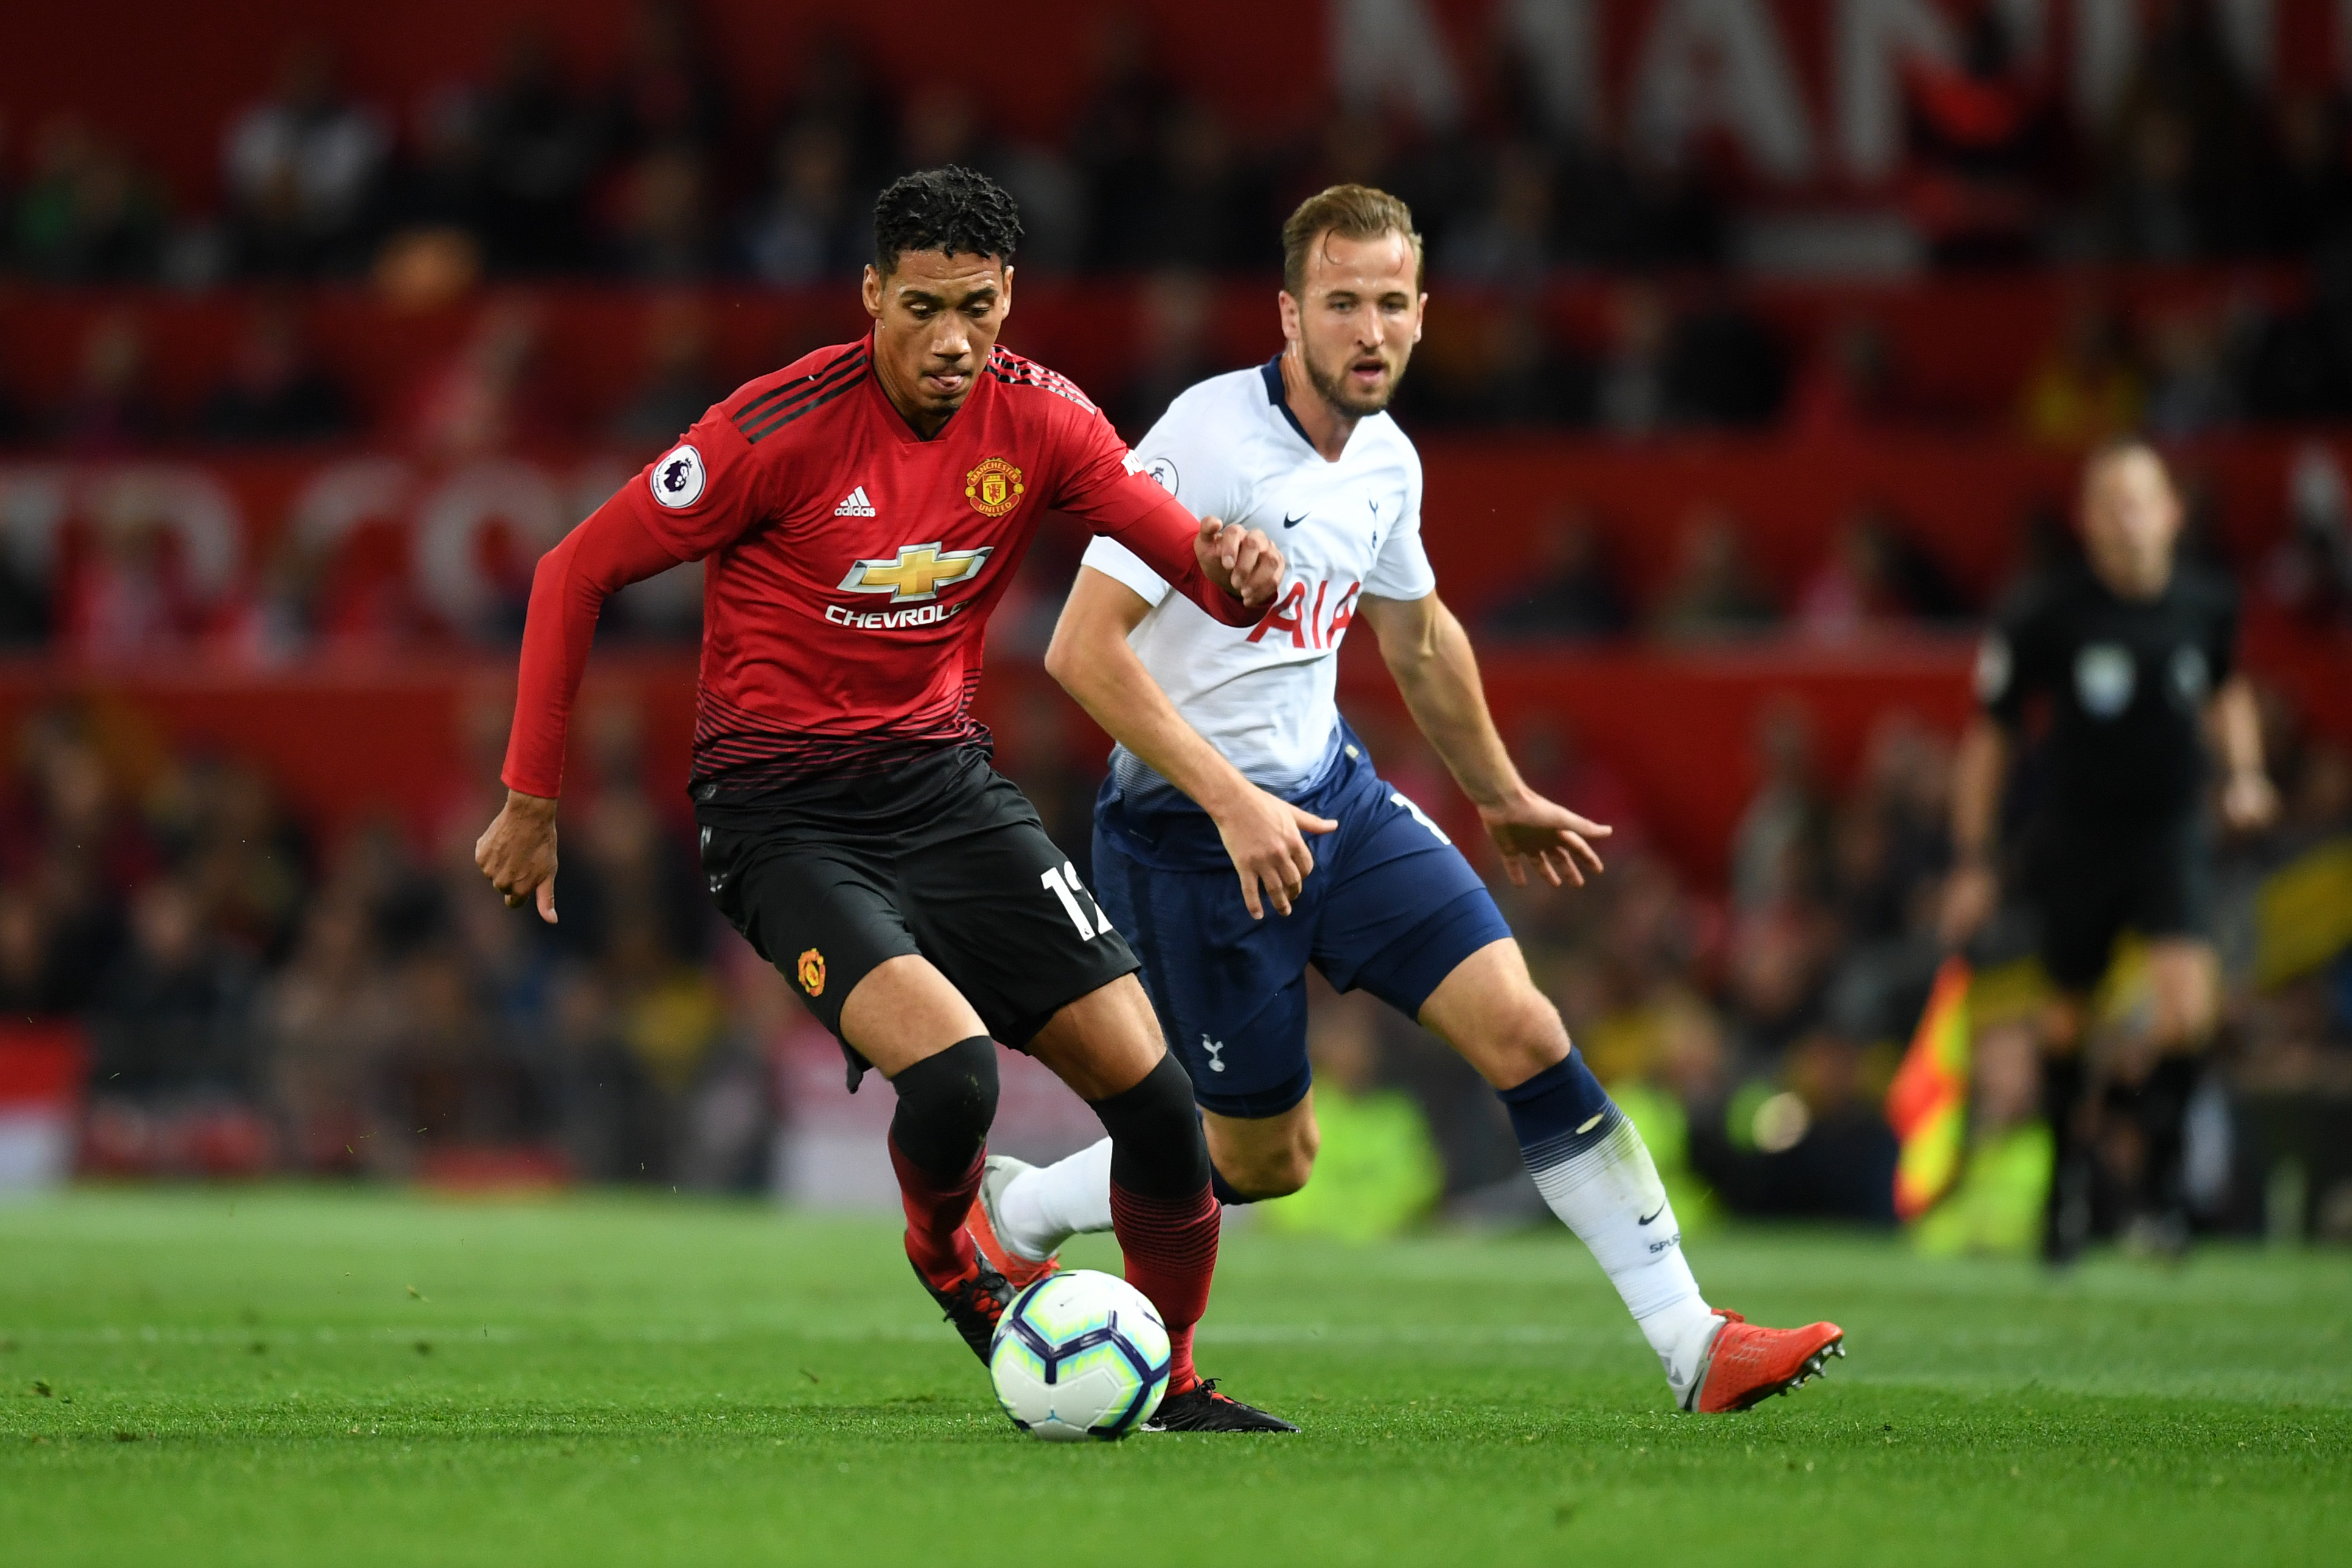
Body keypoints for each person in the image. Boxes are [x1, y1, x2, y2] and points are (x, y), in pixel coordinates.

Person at [972, 185, 1844, 1415]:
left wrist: (1501, 791)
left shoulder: (1386, 457)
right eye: (1341, 303)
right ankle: (1019, 1209)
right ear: (1289, 314)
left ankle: (1693, 1342)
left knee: (1525, 1029)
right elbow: (1081, 650)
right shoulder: (1207, 439)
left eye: (1390, 303)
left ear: (1424, 313)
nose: (1369, 329)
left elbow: (1419, 634)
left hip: (1336, 803)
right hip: (1187, 837)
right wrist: (1229, 801)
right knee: (1263, 1158)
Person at [474, 167, 1297, 1432]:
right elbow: (570, 570)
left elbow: (1188, 558)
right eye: (922, 307)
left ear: (1009, 295)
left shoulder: (1044, 420)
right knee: (957, 1078)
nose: (952, 340)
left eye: (977, 307)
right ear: (871, 295)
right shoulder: (774, 431)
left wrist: (1236, 571)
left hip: (944, 785)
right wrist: (531, 799)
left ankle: (1174, 1377)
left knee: (1158, 1099)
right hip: (779, 813)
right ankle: (947, 1254)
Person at [1941, 439, 2276, 1261]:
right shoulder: (2045, 613)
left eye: (2141, 501)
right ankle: (2063, 1185)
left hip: (2168, 831)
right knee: (2066, 1019)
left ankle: (2164, 1182)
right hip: (2077, 834)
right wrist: (1974, 856)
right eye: (2111, 504)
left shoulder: (2206, 602)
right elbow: (1991, 736)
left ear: (2171, 513)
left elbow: (2228, 689)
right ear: (2087, 520)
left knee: (2188, 1007)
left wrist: (2244, 772)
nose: (2128, 519)